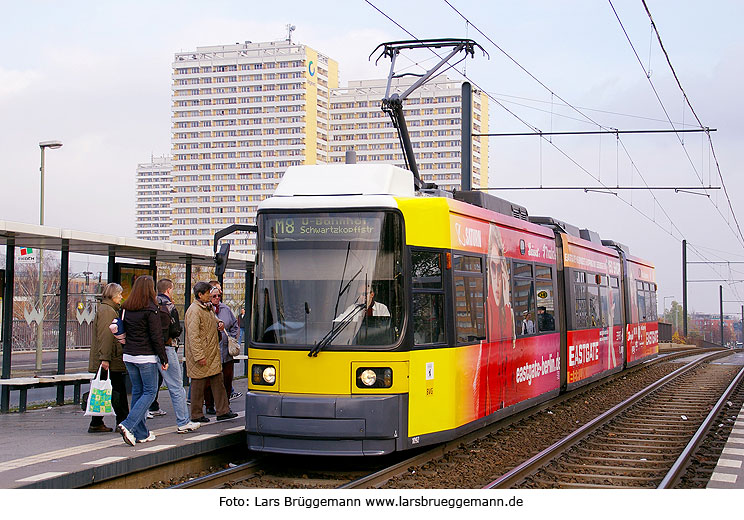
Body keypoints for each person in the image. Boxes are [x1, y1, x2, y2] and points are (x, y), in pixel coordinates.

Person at [116, 276, 168, 446]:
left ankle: (141, 433)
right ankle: (127, 425)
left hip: (129, 355)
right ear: (150, 289)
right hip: (146, 356)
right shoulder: (151, 309)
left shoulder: (126, 307)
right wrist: (163, 357)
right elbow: (156, 336)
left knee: (138, 392)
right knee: (150, 392)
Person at [185, 281, 237, 423]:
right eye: (208, 293)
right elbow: (193, 336)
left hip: (212, 352)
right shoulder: (194, 311)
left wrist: (219, 322)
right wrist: (199, 355)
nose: (210, 296)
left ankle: (223, 410)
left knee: (217, 381)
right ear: (200, 295)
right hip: (203, 354)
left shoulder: (207, 308)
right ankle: (196, 414)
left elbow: (214, 319)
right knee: (198, 384)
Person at [156, 279, 201, 433]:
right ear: (169, 289)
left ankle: (134, 425)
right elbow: (175, 330)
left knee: (147, 390)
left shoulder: (151, 304)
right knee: (177, 387)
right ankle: (183, 421)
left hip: (150, 350)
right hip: (167, 348)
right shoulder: (169, 306)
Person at [87, 283, 128, 432]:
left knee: (104, 390)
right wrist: (105, 358)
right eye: (119, 294)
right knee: (117, 391)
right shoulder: (108, 311)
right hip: (110, 359)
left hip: (109, 358)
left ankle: (96, 422)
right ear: (113, 295)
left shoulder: (108, 309)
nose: (121, 297)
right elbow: (106, 336)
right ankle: (123, 422)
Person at [204, 286, 241, 413]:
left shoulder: (226, 309)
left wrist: (231, 337)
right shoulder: (205, 309)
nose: (217, 298)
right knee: (210, 381)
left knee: (227, 380)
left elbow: (235, 325)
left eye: (219, 296)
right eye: (214, 296)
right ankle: (209, 405)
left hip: (226, 351)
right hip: (212, 352)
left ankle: (225, 405)